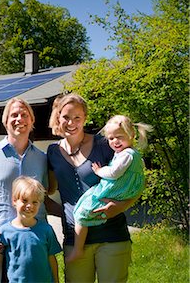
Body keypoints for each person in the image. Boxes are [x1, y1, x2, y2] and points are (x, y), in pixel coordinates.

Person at [47, 93, 138, 283]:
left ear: (85, 118)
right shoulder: (53, 152)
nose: (71, 122)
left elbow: (133, 180)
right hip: (74, 239)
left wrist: (120, 206)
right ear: (58, 117)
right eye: (66, 117)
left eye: (77, 117)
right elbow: (48, 189)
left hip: (111, 235)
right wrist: (64, 212)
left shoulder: (104, 144)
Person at [0, 97, 49, 283]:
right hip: (0, 241)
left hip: (33, 240)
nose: (19, 119)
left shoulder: (42, 158)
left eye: (24, 115)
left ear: (31, 121)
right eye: (14, 115)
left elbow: (44, 197)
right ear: (5, 121)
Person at [67, 115, 152, 263]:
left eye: (119, 137)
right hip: (123, 189)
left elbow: (114, 173)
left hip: (116, 190)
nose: (115, 141)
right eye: (111, 138)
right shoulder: (130, 154)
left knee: (81, 213)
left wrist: (99, 171)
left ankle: (78, 249)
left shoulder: (126, 155)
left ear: (131, 135)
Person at [0, 176, 61, 283]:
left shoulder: (46, 230)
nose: (29, 206)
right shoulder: (5, 232)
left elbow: (51, 258)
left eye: (35, 202)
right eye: (24, 200)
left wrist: (56, 281)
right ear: (14, 201)